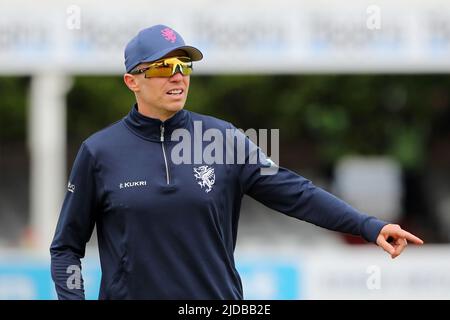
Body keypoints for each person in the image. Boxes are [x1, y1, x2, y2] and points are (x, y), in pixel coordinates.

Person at [50, 24, 424, 300]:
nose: (178, 77)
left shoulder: (221, 138)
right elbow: (66, 247)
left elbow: (295, 193)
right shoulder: (99, 151)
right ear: (132, 81)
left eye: (184, 65)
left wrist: (368, 225)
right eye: (163, 68)